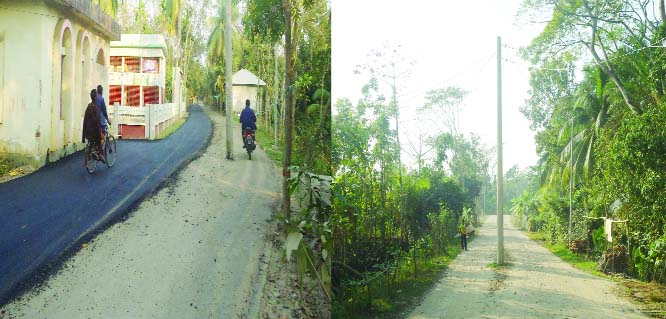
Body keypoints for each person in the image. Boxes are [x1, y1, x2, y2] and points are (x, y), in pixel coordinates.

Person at [82, 89, 104, 163]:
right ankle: (99, 154)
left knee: (93, 139)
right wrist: (100, 132)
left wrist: (83, 137)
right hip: (94, 133)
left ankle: (93, 151)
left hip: (87, 133)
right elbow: (97, 123)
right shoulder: (96, 108)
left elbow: (85, 121)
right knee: (101, 137)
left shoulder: (88, 106)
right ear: (96, 98)